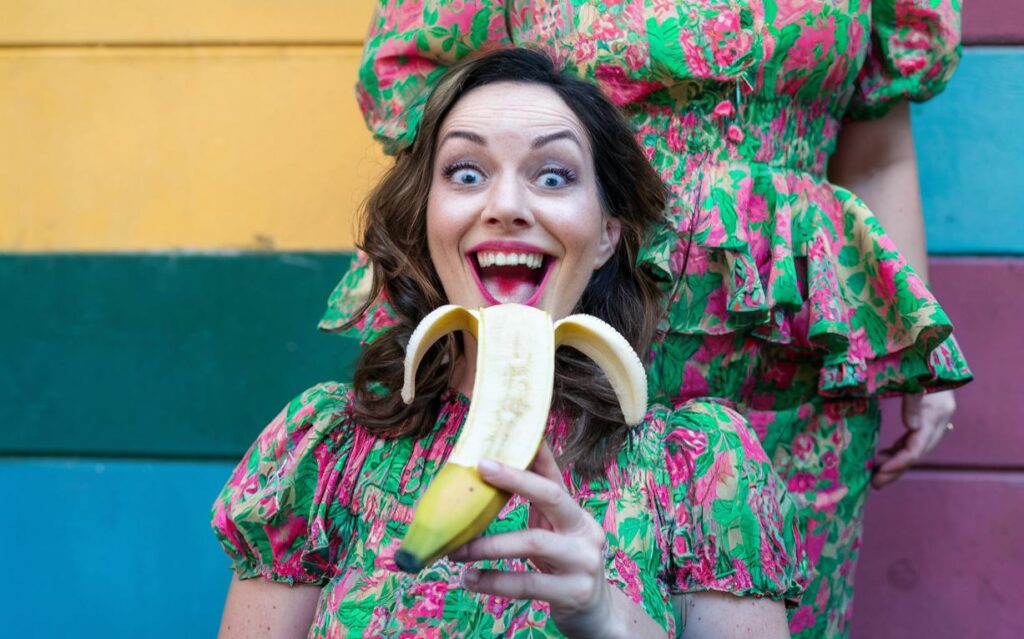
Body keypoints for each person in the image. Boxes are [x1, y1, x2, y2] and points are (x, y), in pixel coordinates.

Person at [319, 2, 973, 637]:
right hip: (563, 355)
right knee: (544, 593)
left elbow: (877, 154)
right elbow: (451, 144)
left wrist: (914, 348)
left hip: (797, 373)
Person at [212, 48, 808, 638]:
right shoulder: (327, 454)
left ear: (605, 236)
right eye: (467, 174)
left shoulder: (702, 468)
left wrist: (609, 619)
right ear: (426, 218)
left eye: (554, 176)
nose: (505, 207)